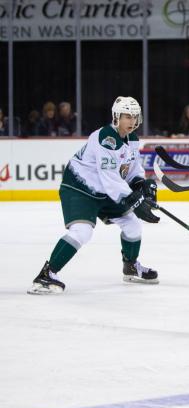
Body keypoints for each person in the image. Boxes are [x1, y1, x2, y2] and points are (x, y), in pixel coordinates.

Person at [28, 96, 161, 295]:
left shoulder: (132, 139)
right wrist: (136, 200)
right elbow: (110, 179)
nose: (132, 121)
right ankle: (47, 274)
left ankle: (131, 267)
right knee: (82, 231)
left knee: (132, 223)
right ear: (116, 117)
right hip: (80, 188)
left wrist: (142, 184)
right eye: (127, 116)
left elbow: (131, 170)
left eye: (134, 116)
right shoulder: (105, 138)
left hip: (105, 191)